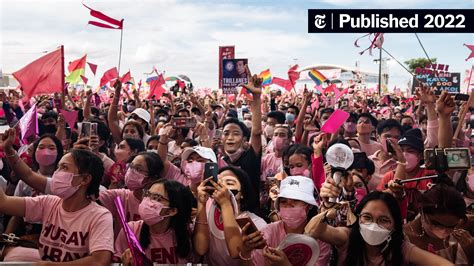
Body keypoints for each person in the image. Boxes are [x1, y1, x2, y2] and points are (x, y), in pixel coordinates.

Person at [0, 128, 113, 264]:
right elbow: (3, 202)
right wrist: (6, 149)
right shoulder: (49, 203)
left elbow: (100, 261)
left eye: (64, 168)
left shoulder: (99, 216)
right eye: (58, 167)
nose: (57, 173)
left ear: (84, 179)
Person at [306, 189, 453, 265]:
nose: (373, 226)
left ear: (394, 226)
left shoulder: (401, 248)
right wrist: (326, 206)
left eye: (383, 220)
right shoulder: (347, 237)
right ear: (358, 218)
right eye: (367, 217)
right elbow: (316, 230)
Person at [237, 175, 317, 266]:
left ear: (309, 205)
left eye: (295, 200)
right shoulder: (268, 233)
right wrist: (246, 251)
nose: (288, 206)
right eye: (283, 201)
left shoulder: (319, 237)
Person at [193, 166, 264, 265]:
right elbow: (200, 249)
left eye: (229, 183)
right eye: (218, 182)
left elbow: (236, 253)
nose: (222, 187)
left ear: (242, 193)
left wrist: (225, 204)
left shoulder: (254, 222)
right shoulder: (208, 213)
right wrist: (201, 203)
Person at [116, 179, 195, 264]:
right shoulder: (130, 231)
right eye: (147, 194)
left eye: (156, 198)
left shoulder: (188, 232)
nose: (147, 200)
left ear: (171, 211)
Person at [404, 183, 472, 264]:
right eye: (436, 224)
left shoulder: (459, 237)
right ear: (421, 211)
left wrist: (470, 251)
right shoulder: (404, 239)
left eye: (451, 226)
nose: (443, 231)